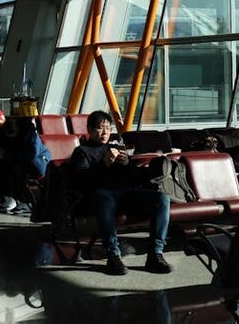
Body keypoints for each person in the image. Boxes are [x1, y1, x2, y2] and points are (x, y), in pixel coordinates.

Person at [70, 110, 172, 276]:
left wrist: (127, 165)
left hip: (122, 194)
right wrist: (104, 164)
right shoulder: (81, 152)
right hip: (95, 197)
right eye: (100, 128)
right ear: (89, 129)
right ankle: (113, 255)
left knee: (161, 199)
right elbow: (82, 183)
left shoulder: (115, 148)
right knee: (105, 197)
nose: (105, 133)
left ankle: (155, 254)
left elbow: (133, 180)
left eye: (108, 128)